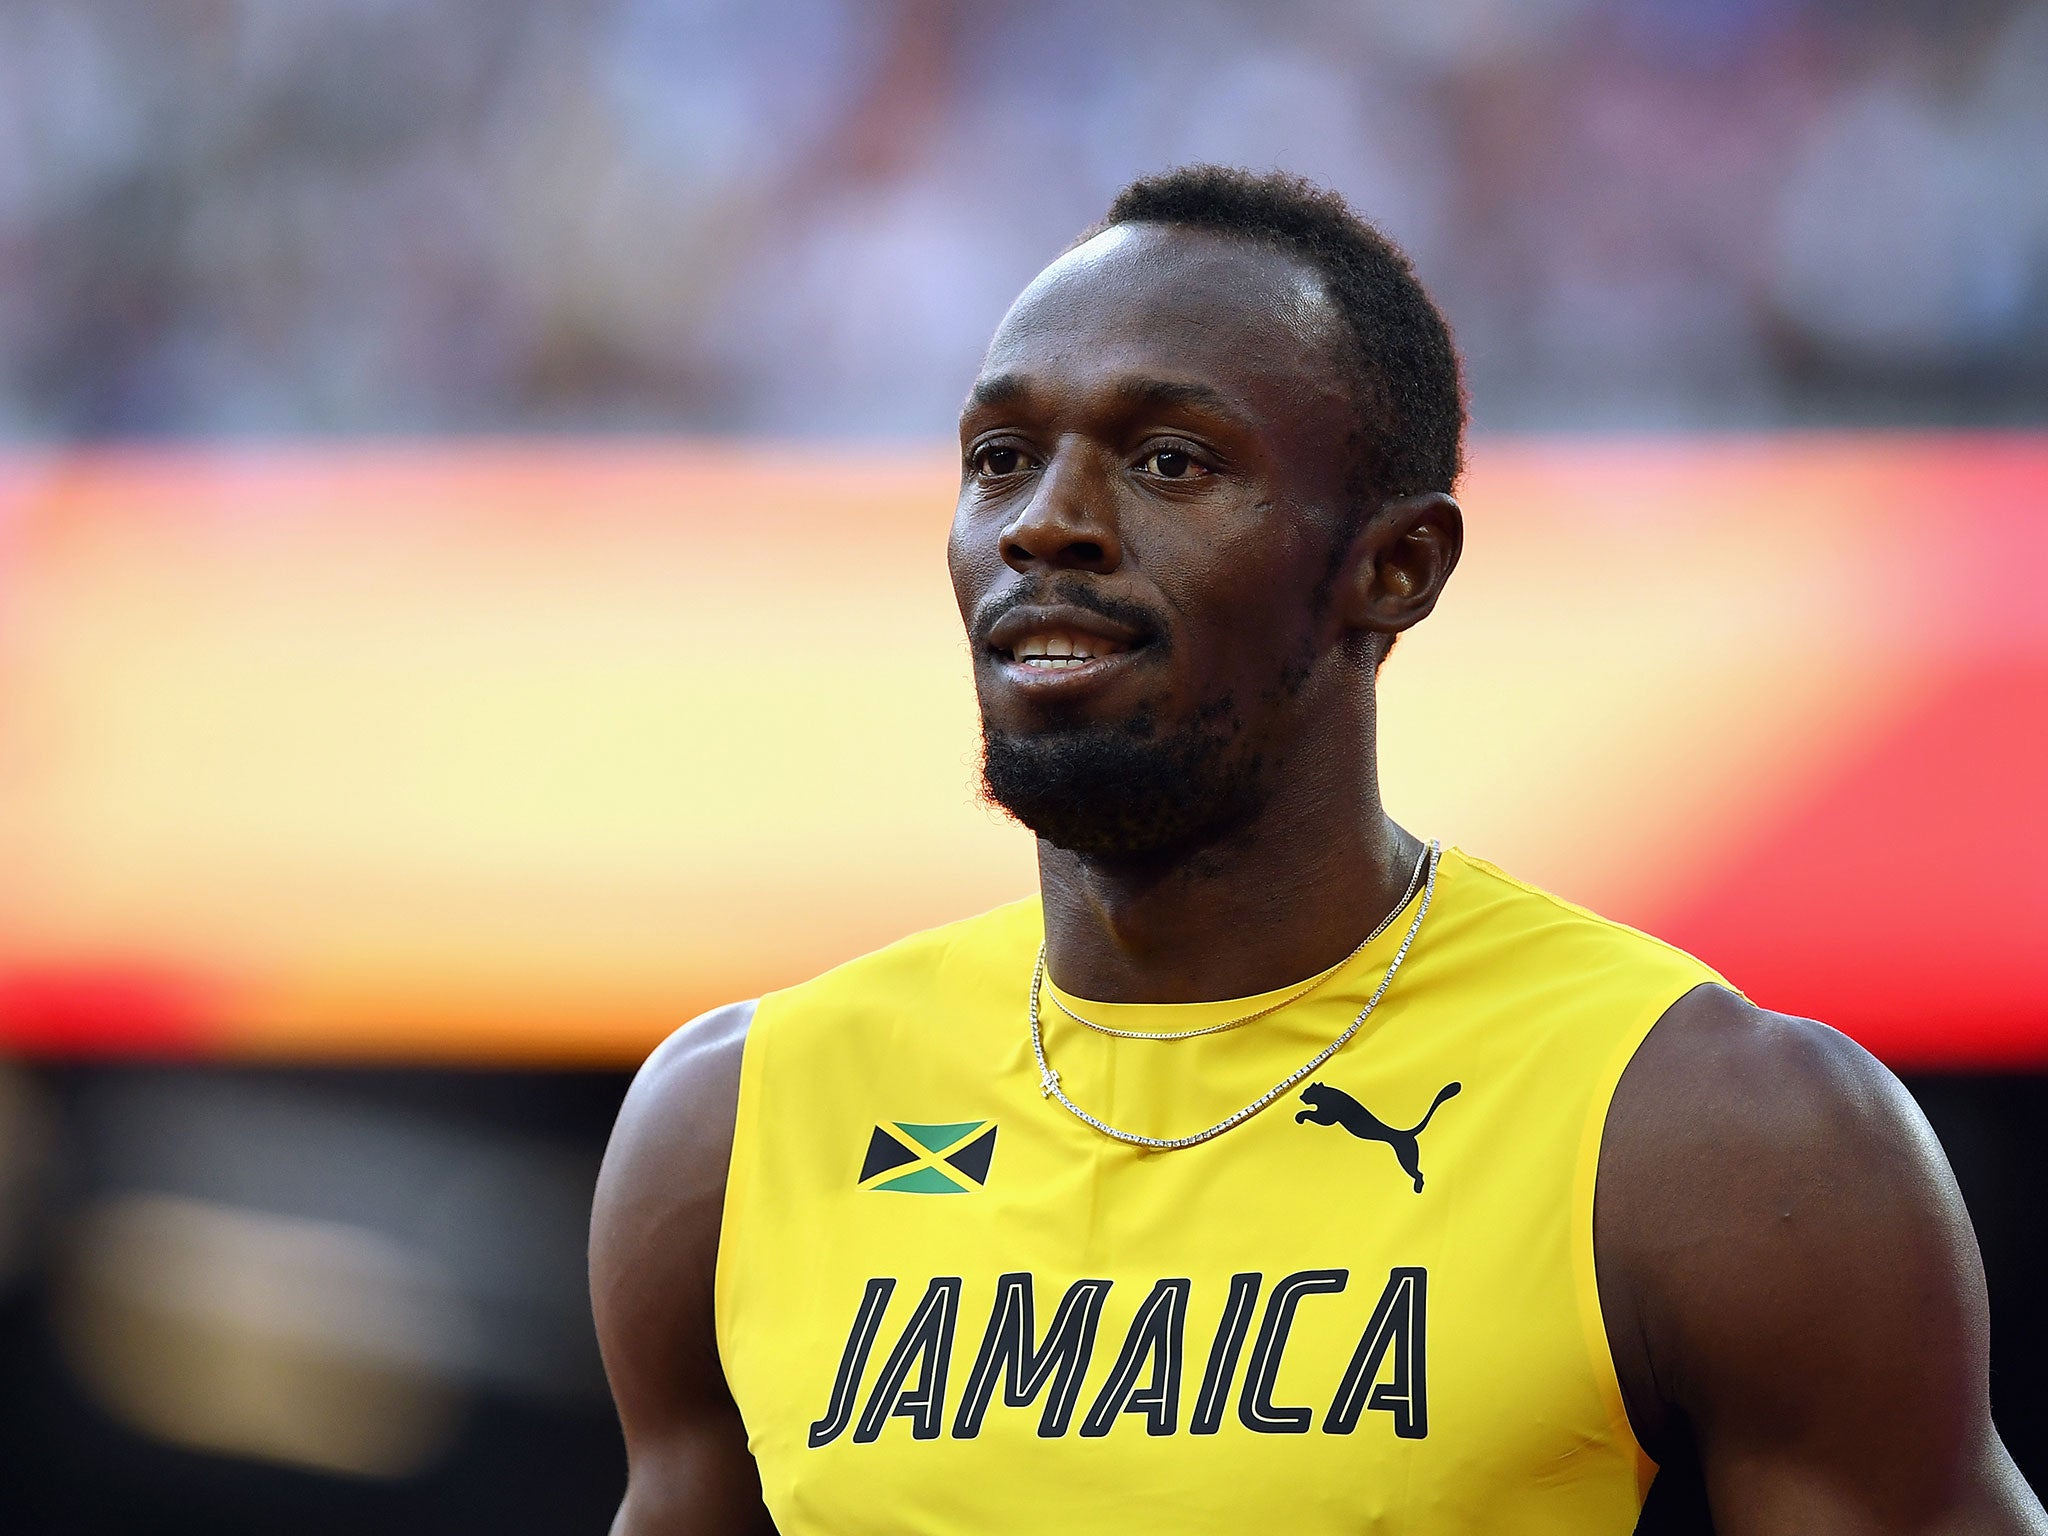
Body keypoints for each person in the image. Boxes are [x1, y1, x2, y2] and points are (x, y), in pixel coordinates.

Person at [589, 166, 2046, 1535]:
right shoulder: (736, 1128)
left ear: (1394, 568)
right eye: (1000, 458)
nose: (1047, 525)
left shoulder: (1715, 1136)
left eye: (1168, 460)